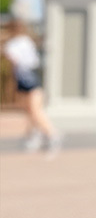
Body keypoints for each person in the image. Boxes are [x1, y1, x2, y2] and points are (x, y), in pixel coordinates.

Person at [2, 18, 60, 155]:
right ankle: (34, 135)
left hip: (27, 79)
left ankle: (52, 134)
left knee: (34, 110)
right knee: (30, 110)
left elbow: (15, 60)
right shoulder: (26, 41)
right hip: (29, 78)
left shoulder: (14, 44)